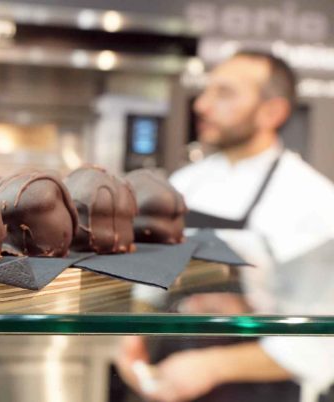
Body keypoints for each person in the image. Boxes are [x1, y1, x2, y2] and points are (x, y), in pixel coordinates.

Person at [115, 51, 334, 402]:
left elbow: (318, 340)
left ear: (272, 112)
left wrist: (211, 366)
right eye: (206, 91)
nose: (201, 105)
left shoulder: (313, 202)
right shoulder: (184, 183)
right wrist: (131, 345)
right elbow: (148, 290)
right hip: (163, 380)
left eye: (225, 94)